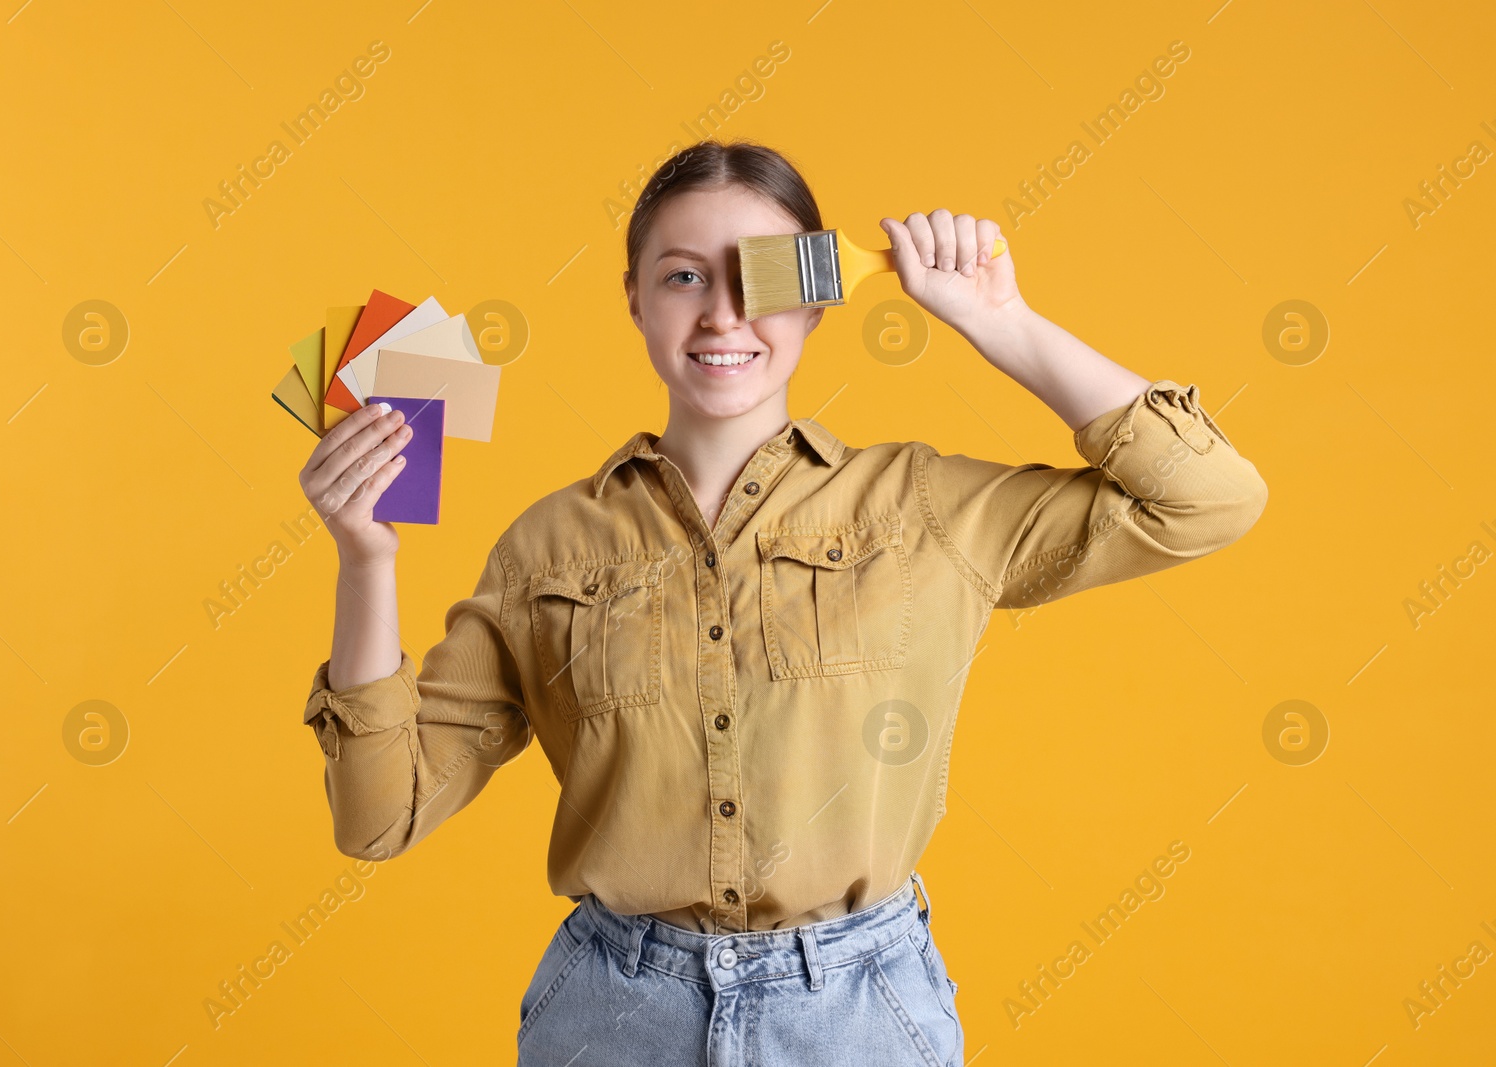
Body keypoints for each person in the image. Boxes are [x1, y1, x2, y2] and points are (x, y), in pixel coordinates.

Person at [296, 139, 1268, 1066]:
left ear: (812, 304)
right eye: (681, 276)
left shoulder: (925, 506)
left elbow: (1209, 496)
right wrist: (365, 561)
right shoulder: (546, 545)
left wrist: (997, 318)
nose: (721, 314)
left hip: (858, 1018)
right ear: (632, 298)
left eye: (755, 276)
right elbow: (380, 819)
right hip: (610, 1017)